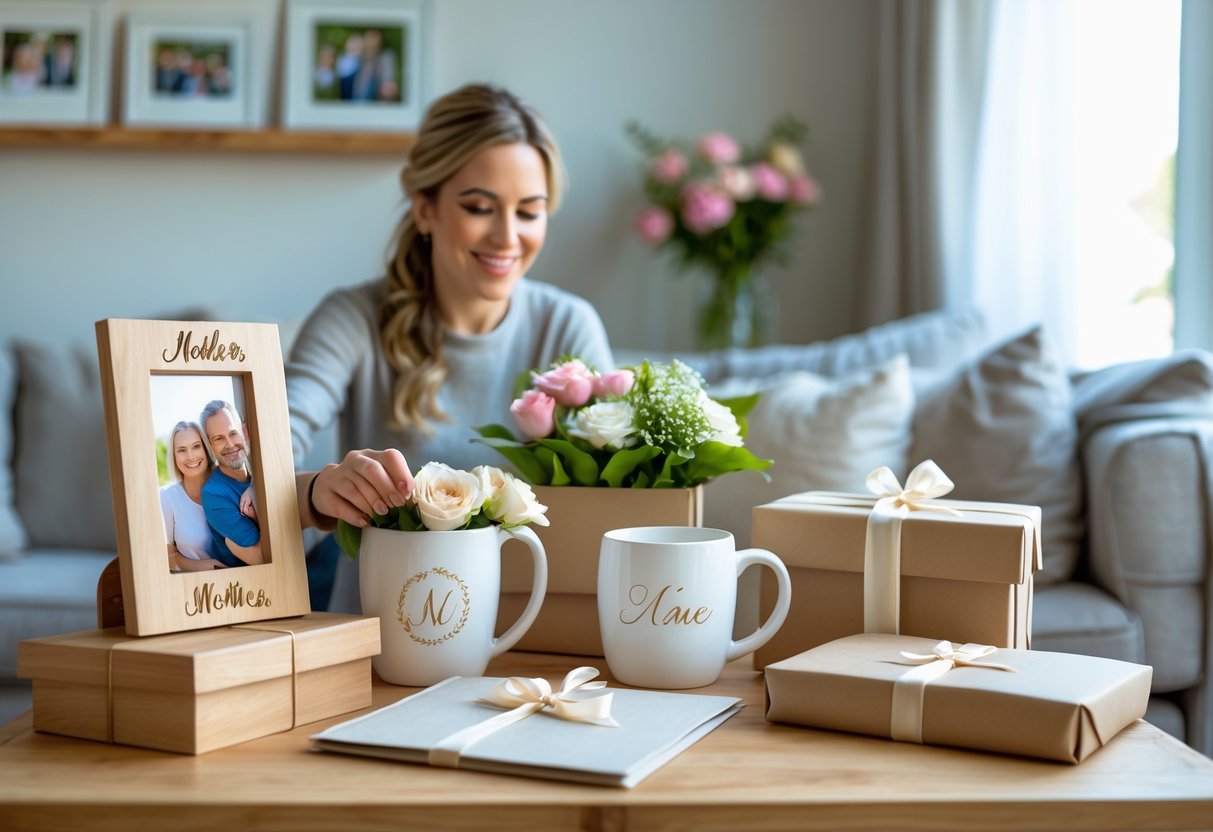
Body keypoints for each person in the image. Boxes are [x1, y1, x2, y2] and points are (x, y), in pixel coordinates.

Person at [287, 83, 614, 612]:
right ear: (425, 209)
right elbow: (257, 455)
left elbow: (605, 516)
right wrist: (316, 493)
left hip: (535, 641)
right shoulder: (351, 319)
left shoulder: (568, 326)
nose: (508, 237)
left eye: (529, 212)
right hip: (381, 642)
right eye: (481, 207)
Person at [200, 399, 264, 567]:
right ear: (210, 446)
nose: (230, 444)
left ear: (245, 432)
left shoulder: (262, 472)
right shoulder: (214, 495)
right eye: (219, 439)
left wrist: (255, 487)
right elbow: (263, 558)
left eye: (233, 433)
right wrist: (258, 515)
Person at [159, 421, 227, 572]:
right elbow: (168, 556)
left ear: (205, 449)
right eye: (182, 450)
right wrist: (207, 567)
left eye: (196, 446)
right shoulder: (167, 497)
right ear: (174, 456)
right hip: (194, 590)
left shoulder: (226, 487)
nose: (190, 456)